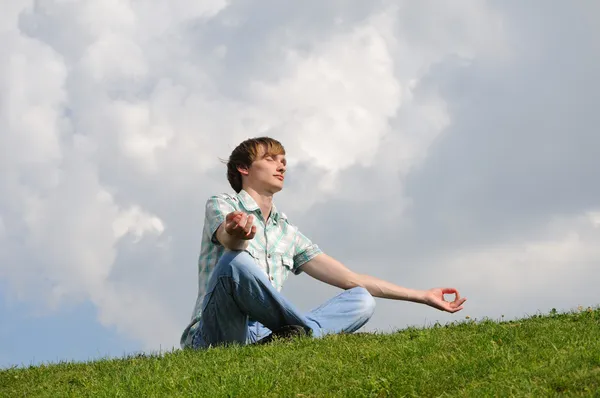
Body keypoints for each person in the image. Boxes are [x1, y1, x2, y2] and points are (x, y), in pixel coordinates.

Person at [181, 137, 466, 349]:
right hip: (216, 334)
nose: (281, 165)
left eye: (283, 160)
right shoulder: (222, 203)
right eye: (270, 159)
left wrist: (422, 295)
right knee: (236, 260)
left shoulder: (288, 233)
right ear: (244, 168)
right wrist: (237, 235)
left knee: (361, 298)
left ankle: (288, 337)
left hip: (265, 334)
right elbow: (227, 238)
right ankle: (301, 332)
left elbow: (350, 278)